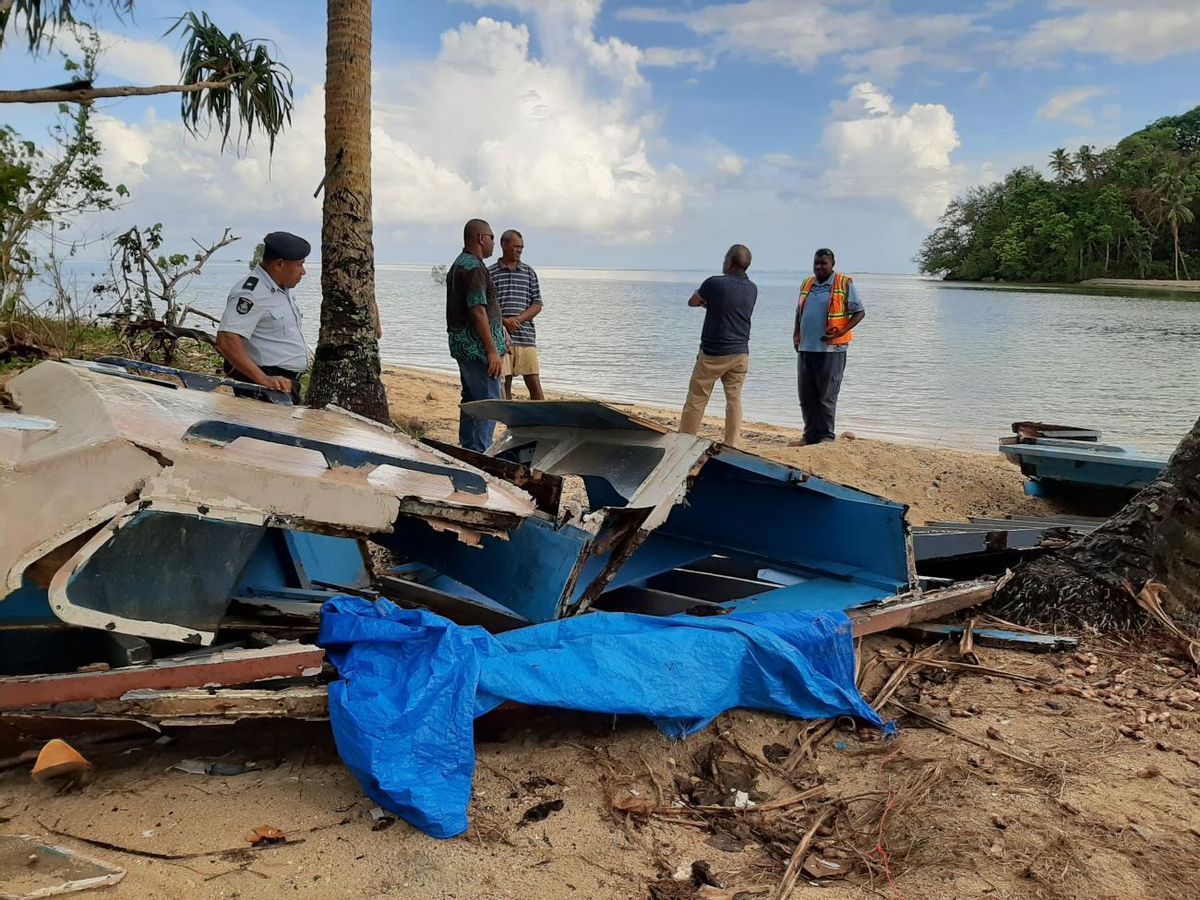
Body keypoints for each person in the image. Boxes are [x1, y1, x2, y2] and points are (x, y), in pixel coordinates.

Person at [216, 231, 312, 403]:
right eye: (299, 265)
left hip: (283, 384)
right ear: (280, 264)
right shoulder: (252, 293)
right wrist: (262, 379)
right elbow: (227, 339)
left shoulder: (280, 289)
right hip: (265, 386)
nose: (303, 272)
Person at [677, 243, 757, 447]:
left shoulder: (714, 283)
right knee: (734, 399)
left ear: (729, 262)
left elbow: (693, 301)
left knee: (697, 398)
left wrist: (706, 300)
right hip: (740, 352)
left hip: (714, 352)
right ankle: (732, 443)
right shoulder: (752, 288)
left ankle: (685, 440)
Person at [792, 248, 865, 445]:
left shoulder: (843, 283)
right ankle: (809, 436)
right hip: (806, 348)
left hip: (831, 350)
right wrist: (796, 334)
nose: (819, 267)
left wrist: (842, 331)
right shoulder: (807, 283)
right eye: (816, 263)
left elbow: (859, 312)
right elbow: (799, 312)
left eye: (823, 263)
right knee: (807, 396)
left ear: (832, 264)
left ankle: (825, 437)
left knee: (826, 396)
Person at [446, 218, 507, 452]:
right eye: (492, 237)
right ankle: (481, 451)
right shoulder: (473, 267)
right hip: (477, 347)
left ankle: (469, 449)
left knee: (471, 400)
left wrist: (501, 334)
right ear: (481, 238)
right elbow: (477, 309)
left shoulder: (459, 264)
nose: (494, 243)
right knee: (488, 403)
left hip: (464, 345)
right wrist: (492, 350)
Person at [489, 229, 545, 400]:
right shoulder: (490, 272)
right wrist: (505, 321)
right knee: (505, 382)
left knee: (534, 382)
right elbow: (486, 306)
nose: (519, 250)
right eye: (516, 246)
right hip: (501, 337)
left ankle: (542, 421)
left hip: (526, 336)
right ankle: (510, 421)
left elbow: (537, 304)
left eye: (521, 247)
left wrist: (519, 319)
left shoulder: (529, 272)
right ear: (504, 245)